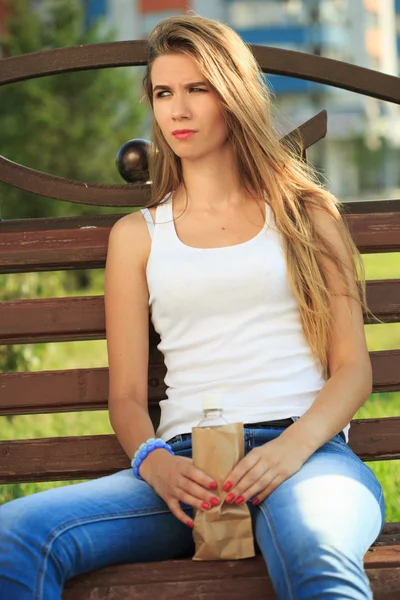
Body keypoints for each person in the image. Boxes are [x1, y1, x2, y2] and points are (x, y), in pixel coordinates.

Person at [0, 14, 385, 600]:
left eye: (197, 89)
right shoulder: (138, 236)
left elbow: (353, 370)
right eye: (163, 92)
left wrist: (289, 450)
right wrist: (156, 463)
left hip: (307, 456)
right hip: (186, 467)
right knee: (16, 535)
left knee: (315, 549)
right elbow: (127, 396)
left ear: (232, 95)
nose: (177, 110)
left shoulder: (306, 216)